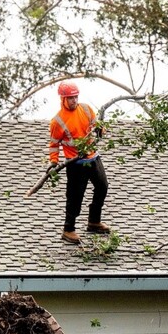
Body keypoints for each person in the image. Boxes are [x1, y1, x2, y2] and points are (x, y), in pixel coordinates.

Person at [48, 81, 110, 244]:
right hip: (75, 164)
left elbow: (96, 125)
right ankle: (68, 230)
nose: (74, 100)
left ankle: (94, 222)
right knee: (75, 197)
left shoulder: (86, 109)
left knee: (102, 186)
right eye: (70, 98)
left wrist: (100, 130)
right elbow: (54, 144)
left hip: (93, 157)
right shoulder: (58, 121)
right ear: (63, 99)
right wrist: (54, 162)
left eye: (75, 97)